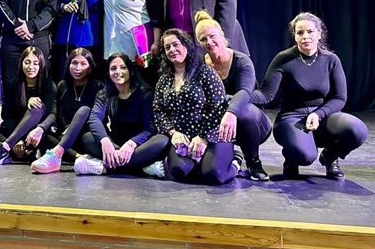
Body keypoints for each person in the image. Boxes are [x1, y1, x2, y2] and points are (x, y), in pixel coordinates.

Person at [253, 12, 368, 179]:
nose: (305, 36)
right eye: (300, 33)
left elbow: (339, 98)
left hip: (322, 115)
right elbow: (266, 93)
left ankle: (330, 156)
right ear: (295, 36)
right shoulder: (283, 59)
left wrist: (318, 114)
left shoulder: (331, 60)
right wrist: (239, 97)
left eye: (310, 32)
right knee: (305, 157)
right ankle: (292, 157)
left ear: (319, 34)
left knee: (358, 131)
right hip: (293, 118)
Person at [153, 29, 243, 185]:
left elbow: (218, 109)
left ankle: (235, 160)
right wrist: (173, 133)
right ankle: (200, 161)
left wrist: (203, 137)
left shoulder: (205, 73)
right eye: (167, 48)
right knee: (180, 171)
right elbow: (158, 110)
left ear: (186, 45)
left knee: (214, 175)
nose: (172, 50)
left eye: (176, 45)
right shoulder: (164, 79)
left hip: (212, 134)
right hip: (183, 136)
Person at [194, 10, 272, 181]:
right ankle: (234, 156)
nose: (209, 41)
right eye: (203, 39)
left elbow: (245, 92)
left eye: (212, 36)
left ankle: (254, 162)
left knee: (244, 110)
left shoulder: (242, 61)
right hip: (215, 124)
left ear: (222, 35)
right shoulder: (200, 66)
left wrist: (230, 112)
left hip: (250, 123)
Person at [74, 53, 168, 176]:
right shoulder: (104, 94)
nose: (118, 72)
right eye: (113, 68)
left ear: (131, 71)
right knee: (87, 137)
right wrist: (105, 141)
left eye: (123, 67)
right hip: (115, 144)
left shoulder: (145, 93)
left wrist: (131, 144)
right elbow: (94, 119)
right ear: (108, 73)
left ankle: (105, 167)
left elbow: (149, 129)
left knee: (162, 140)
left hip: (138, 144)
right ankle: (140, 167)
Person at [0, 47, 57, 166]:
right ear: (21, 63)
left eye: (35, 63)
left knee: (37, 107)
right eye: (27, 62)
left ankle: (5, 148)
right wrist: (16, 139)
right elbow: (7, 115)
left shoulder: (48, 85)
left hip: (35, 134)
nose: (31, 67)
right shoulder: (13, 84)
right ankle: (19, 151)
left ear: (41, 65)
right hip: (14, 132)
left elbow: (52, 114)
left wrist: (40, 128)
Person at [31, 48, 103, 173]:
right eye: (74, 63)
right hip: (64, 139)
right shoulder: (62, 85)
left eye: (83, 64)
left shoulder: (98, 87)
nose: (77, 68)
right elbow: (54, 113)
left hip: (86, 134)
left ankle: (62, 155)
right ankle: (77, 157)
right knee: (43, 135)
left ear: (90, 67)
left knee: (84, 113)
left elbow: (100, 118)